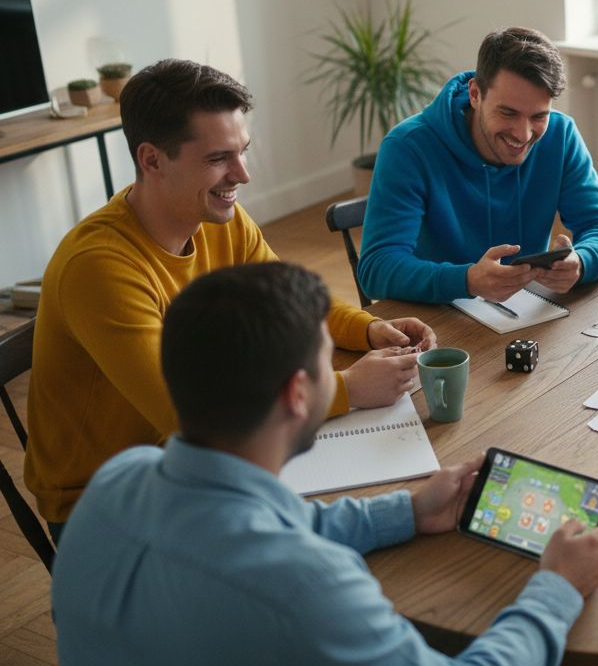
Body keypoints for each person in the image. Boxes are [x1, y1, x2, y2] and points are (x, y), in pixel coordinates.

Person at [51, 262, 598, 665]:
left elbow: (262, 527)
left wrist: (406, 512)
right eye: (331, 364)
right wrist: (556, 588)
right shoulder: (310, 589)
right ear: (299, 394)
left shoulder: (113, 483)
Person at [24, 59, 433, 540]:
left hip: (199, 462)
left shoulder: (221, 219)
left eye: (243, 152)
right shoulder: (98, 267)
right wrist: (346, 389)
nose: (242, 174)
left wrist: (365, 328)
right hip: (106, 505)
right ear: (152, 160)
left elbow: (293, 300)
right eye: (219, 158)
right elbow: (189, 419)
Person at [359, 27, 598, 304]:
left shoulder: (560, 135)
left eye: (538, 116)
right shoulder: (407, 147)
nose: (523, 135)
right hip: (437, 320)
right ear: (475, 94)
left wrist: (582, 261)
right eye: (508, 112)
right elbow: (376, 270)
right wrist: (467, 280)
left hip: (526, 315)